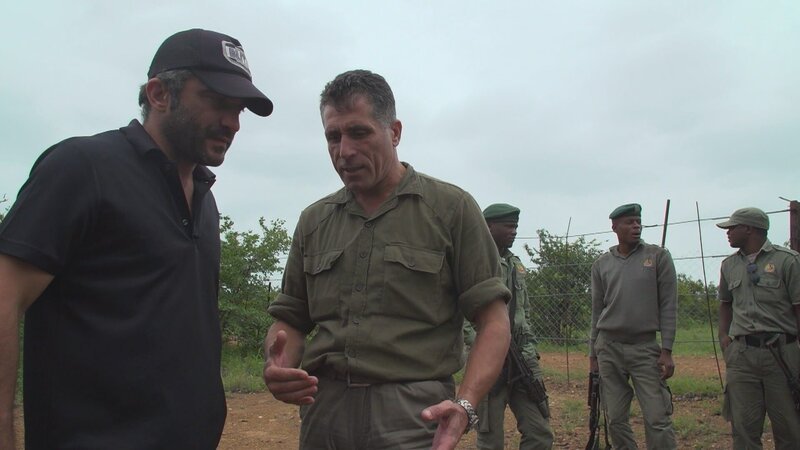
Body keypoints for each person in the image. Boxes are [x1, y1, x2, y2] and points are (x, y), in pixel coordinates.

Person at [0, 29, 273, 449]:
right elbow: (5, 294)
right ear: (159, 94)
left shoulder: (205, 200)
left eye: (239, 110)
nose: (232, 123)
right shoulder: (83, 168)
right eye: (217, 102)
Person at [262, 69, 511, 450]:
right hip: (323, 413)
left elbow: (493, 322)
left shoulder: (451, 209)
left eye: (359, 133)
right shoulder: (314, 221)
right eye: (333, 136)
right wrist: (278, 366)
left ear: (394, 132)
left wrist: (465, 403)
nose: (344, 151)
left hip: (413, 415)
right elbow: (291, 318)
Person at [463, 203, 554, 449]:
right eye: (508, 226)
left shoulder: (515, 265)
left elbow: (524, 313)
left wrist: (530, 349)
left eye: (515, 226)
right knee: (490, 438)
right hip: (488, 361)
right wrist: (487, 350)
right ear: (488, 227)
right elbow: (463, 318)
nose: (514, 231)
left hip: (521, 360)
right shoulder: (472, 261)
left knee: (540, 433)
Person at [589, 203, 677, 449]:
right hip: (609, 347)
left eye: (638, 221)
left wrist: (667, 350)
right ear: (615, 227)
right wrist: (593, 353)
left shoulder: (657, 256)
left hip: (645, 348)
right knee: (615, 418)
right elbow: (597, 311)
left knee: (657, 417)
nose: (636, 226)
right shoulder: (602, 264)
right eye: (629, 222)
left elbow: (669, 305)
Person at [716, 207, 800, 450]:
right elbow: (725, 304)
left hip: (781, 354)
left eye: (732, 228)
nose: (728, 233)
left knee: (789, 428)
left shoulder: (788, 261)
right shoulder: (729, 265)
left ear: (749, 229)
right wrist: (725, 339)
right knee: (743, 428)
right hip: (742, 356)